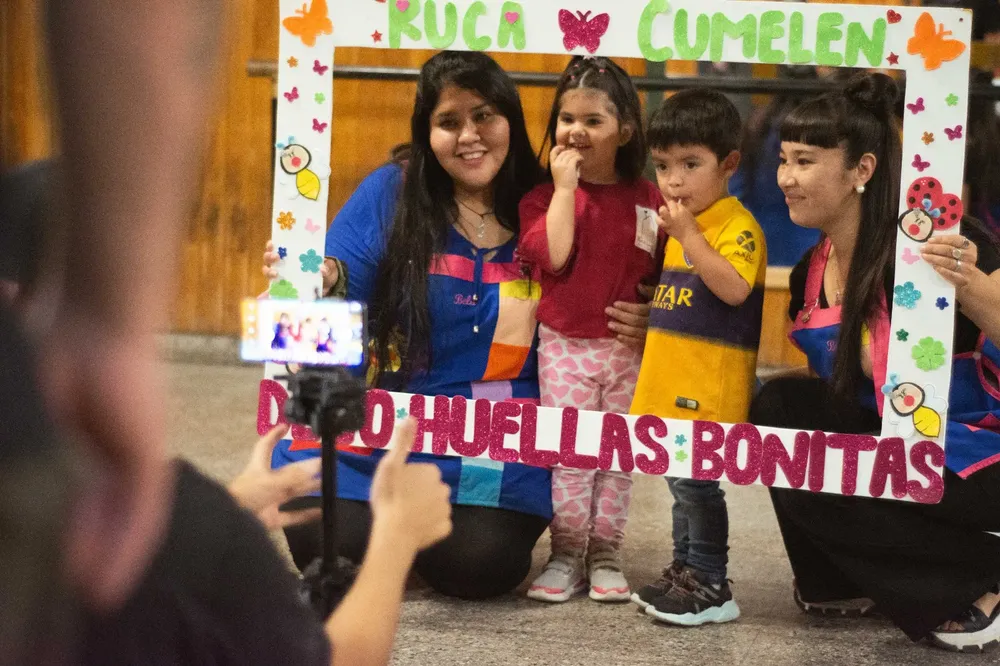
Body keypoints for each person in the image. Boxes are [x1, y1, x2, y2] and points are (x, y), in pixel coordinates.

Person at [264, 51, 654, 599]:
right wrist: (307, 290)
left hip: (492, 442)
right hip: (377, 430)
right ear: (427, 133)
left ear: (511, 124)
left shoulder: (550, 201)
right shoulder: (389, 193)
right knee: (335, 551)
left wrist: (652, 317)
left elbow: (624, 286)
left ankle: (412, 530)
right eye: (449, 122)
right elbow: (328, 303)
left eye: (484, 116)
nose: (469, 136)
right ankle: (392, 517)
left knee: (480, 567)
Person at [748, 71, 1000, 653]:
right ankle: (837, 581)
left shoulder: (941, 243)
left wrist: (970, 285)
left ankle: (976, 581)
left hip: (973, 454)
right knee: (781, 413)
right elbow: (833, 394)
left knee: (827, 470)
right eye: (784, 159)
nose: (786, 177)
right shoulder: (816, 264)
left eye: (805, 161)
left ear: (862, 170)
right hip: (899, 445)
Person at [517, 56, 663, 604]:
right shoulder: (543, 197)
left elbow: (665, 278)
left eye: (593, 121)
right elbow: (552, 257)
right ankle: (565, 552)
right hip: (564, 346)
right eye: (566, 118)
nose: (576, 130)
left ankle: (605, 552)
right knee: (571, 453)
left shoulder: (651, 199)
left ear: (624, 130)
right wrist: (562, 189)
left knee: (617, 455)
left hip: (628, 350)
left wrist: (655, 319)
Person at [629, 89, 767, 627]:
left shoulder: (737, 227)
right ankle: (685, 569)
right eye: (663, 166)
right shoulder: (682, 227)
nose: (674, 180)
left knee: (697, 483)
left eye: (691, 164)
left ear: (728, 164)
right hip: (670, 379)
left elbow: (733, 288)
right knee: (678, 480)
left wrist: (689, 237)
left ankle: (711, 581)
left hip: (706, 387)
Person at [730, 66, 821, 267]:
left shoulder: (758, 126)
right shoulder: (823, 132)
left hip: (758, 239)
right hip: (808, 241)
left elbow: (735, 192)